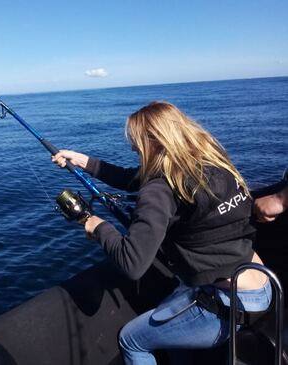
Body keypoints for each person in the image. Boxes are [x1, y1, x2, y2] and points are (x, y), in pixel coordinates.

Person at [52, 101, 272, 365]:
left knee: (131, 339)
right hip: (263, 285)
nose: (133, 147)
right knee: (171, 312)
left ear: (154, 141)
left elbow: (133, 263)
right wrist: (81, 160)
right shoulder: (211, 163)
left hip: (225, 305)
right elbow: (133, 178)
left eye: (135, 141)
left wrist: (96, 225)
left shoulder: (160, 189)